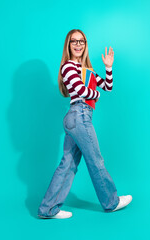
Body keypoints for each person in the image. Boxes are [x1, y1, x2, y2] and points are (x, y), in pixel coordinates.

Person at [37, 29, 132, 219]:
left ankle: (48, 209)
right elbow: (82, 91)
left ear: (85, 45)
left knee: (68, 164)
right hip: (79, 114)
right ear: (69, 45)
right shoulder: (68, 67)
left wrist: (108, 68)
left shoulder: (86, 70)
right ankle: (111, 202)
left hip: (78, 117)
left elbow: (107, 86)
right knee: (95, 160)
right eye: (74, 41)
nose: (78, 44)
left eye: (82, 41)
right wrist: (95, 95)